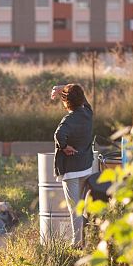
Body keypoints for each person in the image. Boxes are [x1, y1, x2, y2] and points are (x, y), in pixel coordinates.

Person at [51, 83, 95, 247]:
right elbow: (82, 97)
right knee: (82, 208)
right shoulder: (88, 113)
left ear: (65, 102)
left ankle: (76, 243)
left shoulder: (69, 120)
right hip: (86, 167)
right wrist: (63, 88)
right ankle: (87, 240)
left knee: (74, 209)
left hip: (71, 171)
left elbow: (59, 134)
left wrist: (64, 147)